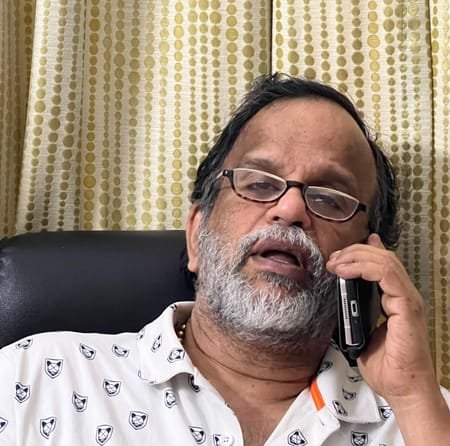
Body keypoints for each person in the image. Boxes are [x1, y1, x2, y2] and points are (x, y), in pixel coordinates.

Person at [0, 73, 448, 446]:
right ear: (197, 234)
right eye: (259, 184)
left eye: (329, 199)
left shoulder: (424, 414)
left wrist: (413, 400)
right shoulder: (30, 378)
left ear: (369, 259)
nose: (290, 209)